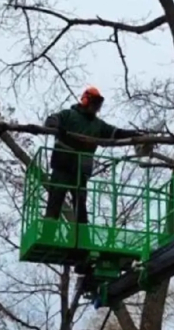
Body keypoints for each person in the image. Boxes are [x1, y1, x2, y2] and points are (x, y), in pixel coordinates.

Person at [44, 86, 144, 282]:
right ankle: (49, 235)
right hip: (63, 166)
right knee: (55, 200)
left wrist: (135, 134)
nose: (96, 108)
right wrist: (55, 126)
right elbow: (52, 119)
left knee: (80, 204)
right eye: (94, 104)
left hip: (81, 170)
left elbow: (115, 132)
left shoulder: (98, 125)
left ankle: (83, 240)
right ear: (86, 100)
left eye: (98, 105)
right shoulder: (68, 115)